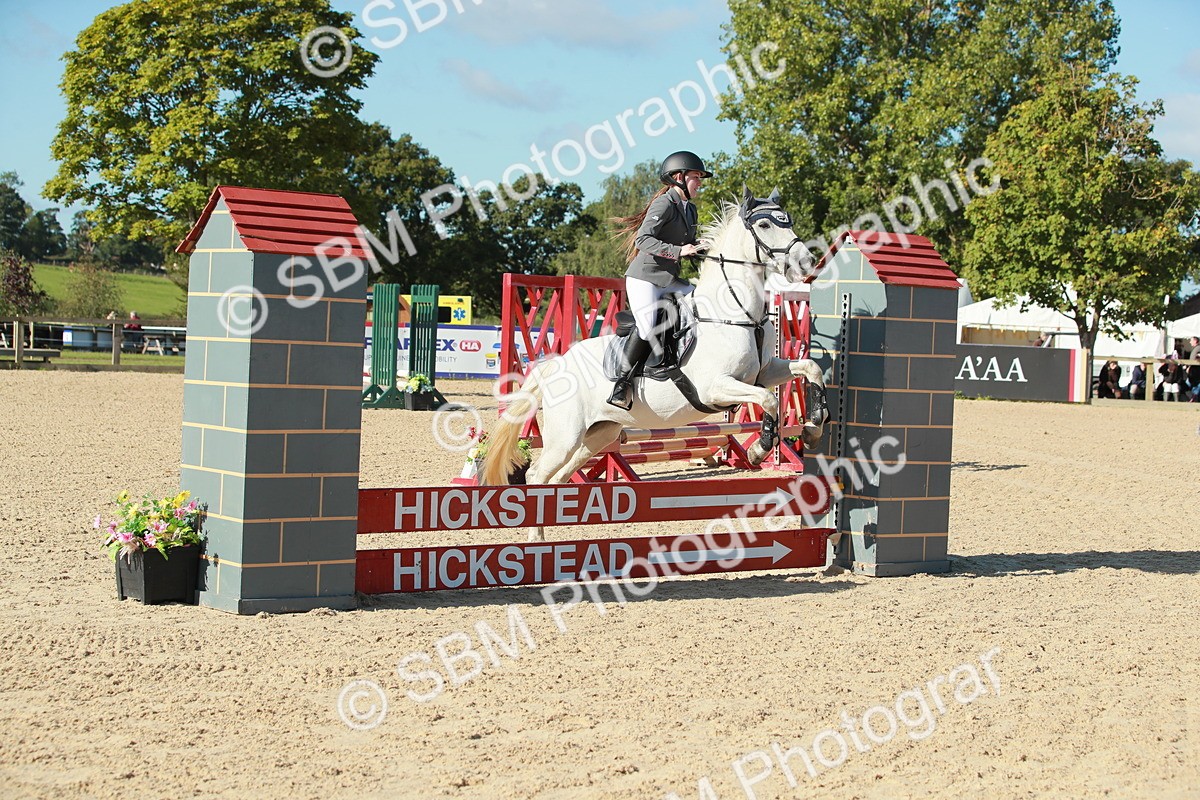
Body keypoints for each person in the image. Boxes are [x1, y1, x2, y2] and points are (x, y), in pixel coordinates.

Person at [606, 150, 711, 409]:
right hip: (645, 278)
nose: (700, 182)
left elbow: (687, 243)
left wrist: (703, 247)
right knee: (646, 325)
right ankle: (622, 383)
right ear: (679, 177)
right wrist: (678, 251)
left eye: (700, 178)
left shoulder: (690, 209)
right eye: (696, 177)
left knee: (703, 298)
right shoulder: (664, 203)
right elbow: (643, 239)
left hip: (669, 278)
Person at [1187, 335, 1200, 402]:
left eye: (1191, 340)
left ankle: (1194, 398)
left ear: (1195, 341)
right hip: (1193, 370)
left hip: (1196, 371)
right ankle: (1193, 397)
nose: (1190, 342)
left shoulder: (1198, 348)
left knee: (1196, 385)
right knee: (1189, 383)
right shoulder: (1196, 348)